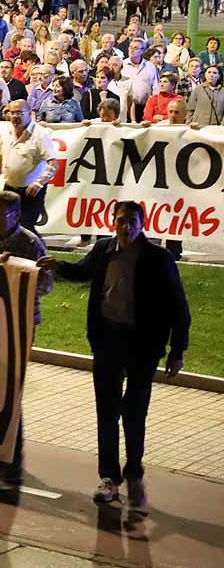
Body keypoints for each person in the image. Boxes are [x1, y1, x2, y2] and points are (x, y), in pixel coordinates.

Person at [37, 201, 189, 510]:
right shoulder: (104, 250)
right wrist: (57, 265)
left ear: (142, 223)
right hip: (107, 342)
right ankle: (109, 478)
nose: (126, 226)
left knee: (134, 412)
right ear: (112, 222)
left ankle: (134, 471)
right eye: (121, 221)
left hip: (143, 347)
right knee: (107, 412)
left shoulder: (158, 259)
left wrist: (177, 351)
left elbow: (178, 307)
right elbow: (83, 273)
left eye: (132, 221)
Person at [0, 191, 53, 484]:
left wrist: (19, 276)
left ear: (16, 216)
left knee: (9, 391)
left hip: (18, 325)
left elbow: (45, 287)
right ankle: (1, 451)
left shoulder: (30, 244)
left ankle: (12, 458)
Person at [0, 100, 58, 234]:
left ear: (29, 114)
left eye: (19, 113)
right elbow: (0, 161)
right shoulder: (7, 133)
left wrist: (39, 183)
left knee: (25, 227)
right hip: (10, 189)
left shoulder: (41, 134)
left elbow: (53, 164)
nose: (15, 116)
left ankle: (38, 252)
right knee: (7, 226)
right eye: (12, 113)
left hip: (31, 191)